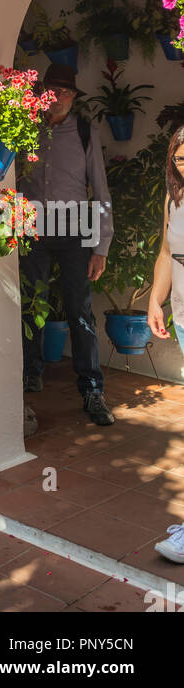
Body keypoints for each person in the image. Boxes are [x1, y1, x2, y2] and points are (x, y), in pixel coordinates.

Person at [18, 62, 116, 426]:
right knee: (31, 304)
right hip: (32, 230)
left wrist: (101, 245)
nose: (56, 97)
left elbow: (100, 192)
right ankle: (30, 373)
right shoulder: (23, 130)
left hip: (76, 232)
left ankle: (92, 389)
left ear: (73, 97)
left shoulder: (85, 133)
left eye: (63, 92)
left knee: (80, 310)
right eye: (50, 90)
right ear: (40, 93)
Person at [147, 127, 184, 564]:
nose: (183, 166)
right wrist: (155, 301)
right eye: (178, 158)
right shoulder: (173, 198)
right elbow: (166, 254)